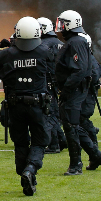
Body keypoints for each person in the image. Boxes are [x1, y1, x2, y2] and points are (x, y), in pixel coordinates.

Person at [0, 17, 50, 196]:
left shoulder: (7, 53)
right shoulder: (45, 51)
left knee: (20, 142)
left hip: (14, 106)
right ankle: (30, 169)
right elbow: (57, 71)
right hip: (37, 104)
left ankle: (23, 172)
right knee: (40, 141)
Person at [55, 10, 101, 175]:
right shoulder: (75, 41)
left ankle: (76, 165)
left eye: (63, 24)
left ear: (70, 25)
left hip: (73, 91)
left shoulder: (76, 42)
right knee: (74, 126)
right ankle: (95, 155)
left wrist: (66, 89)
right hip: (74, 90)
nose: (60, 28)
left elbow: (79, 71)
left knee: (71, 127)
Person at [37, 17, 66, 153]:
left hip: (46, 83)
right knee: (53, 111)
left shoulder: (42, 45)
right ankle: (62, 141)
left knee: (49, 113)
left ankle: (54, 145)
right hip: (56, 82)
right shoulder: (60, 43)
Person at [79, 33, 101, 145]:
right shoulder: (82, 58)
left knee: (82, 117)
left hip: (88, 93)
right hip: (82, 93)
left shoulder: (90, 59)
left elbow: (95, 76)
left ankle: (92, 136)